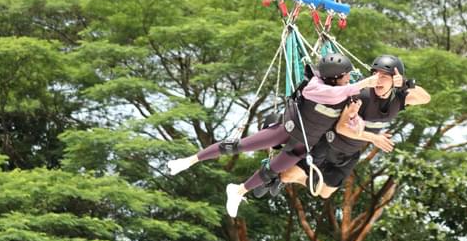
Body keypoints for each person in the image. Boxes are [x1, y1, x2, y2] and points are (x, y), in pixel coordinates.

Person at [166, 52, 378, 179]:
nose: (350, 79)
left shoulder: (347, 94)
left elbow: (351, 121)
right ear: (336, 77)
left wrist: (356, 118)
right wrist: (363, 84)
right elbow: (332, 94)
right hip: (288, 130)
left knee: (272, 171)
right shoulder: (316, 87)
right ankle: (189, 160)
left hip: (304, 144)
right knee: (237, 146)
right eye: (347, 76)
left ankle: (240, 190)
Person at [279, 55, 431, 198]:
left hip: (350, 154)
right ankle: (274, 173)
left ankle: (307, 178)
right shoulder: (361, 94)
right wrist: (373, 138)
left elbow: (425, 98)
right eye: (376, 75)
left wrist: (404, 83)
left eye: (384, 77)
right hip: (329, 145)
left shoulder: (398, 98)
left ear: (394, 80)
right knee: (286, 177)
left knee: (324, 193)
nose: (378, 80)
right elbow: (342, 128)